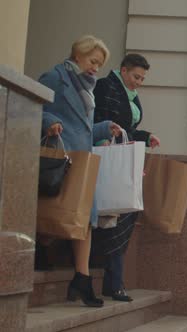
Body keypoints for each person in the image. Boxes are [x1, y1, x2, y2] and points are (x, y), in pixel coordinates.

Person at [39, 35, 122, 307]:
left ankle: (82, 278)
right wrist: (50, 121)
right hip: (60, 157)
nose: (95, 68)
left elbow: (83, 126)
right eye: (92, 61)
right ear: (77, 55)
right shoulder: (56, 77)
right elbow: (33, 107)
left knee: (85, 219)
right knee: (56, 212)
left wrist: (104, 126)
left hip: (81, 159)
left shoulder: (87, 86)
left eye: (99, 64)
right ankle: (40, 253)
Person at [92, 53, 160, 302]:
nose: (139, 82)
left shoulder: (130, 95)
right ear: (123, 70)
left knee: (123, 217)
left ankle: (113, 281)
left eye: (142, 78)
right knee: (112, 217)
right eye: (135, 76)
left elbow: (126, 129)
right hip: (105, 160)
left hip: (120, 160)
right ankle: (111, 281)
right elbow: (99, 121)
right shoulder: (104, 87)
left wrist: (145, 135)